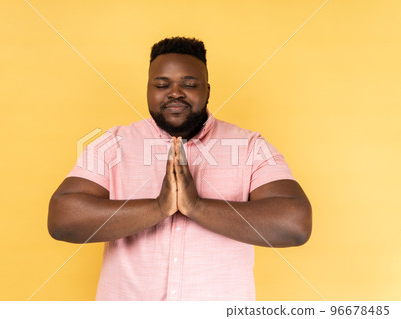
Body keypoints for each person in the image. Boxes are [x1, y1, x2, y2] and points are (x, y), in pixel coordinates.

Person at [48, 36, 312, 301]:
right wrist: (159, 207)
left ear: (207, 90)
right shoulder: (112, 144)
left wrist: (196, 206)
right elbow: (61, 219)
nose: (175, 92)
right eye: (162, 84)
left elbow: (295, 224)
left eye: (189, 84)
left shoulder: (249, 146)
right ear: (148, 90)